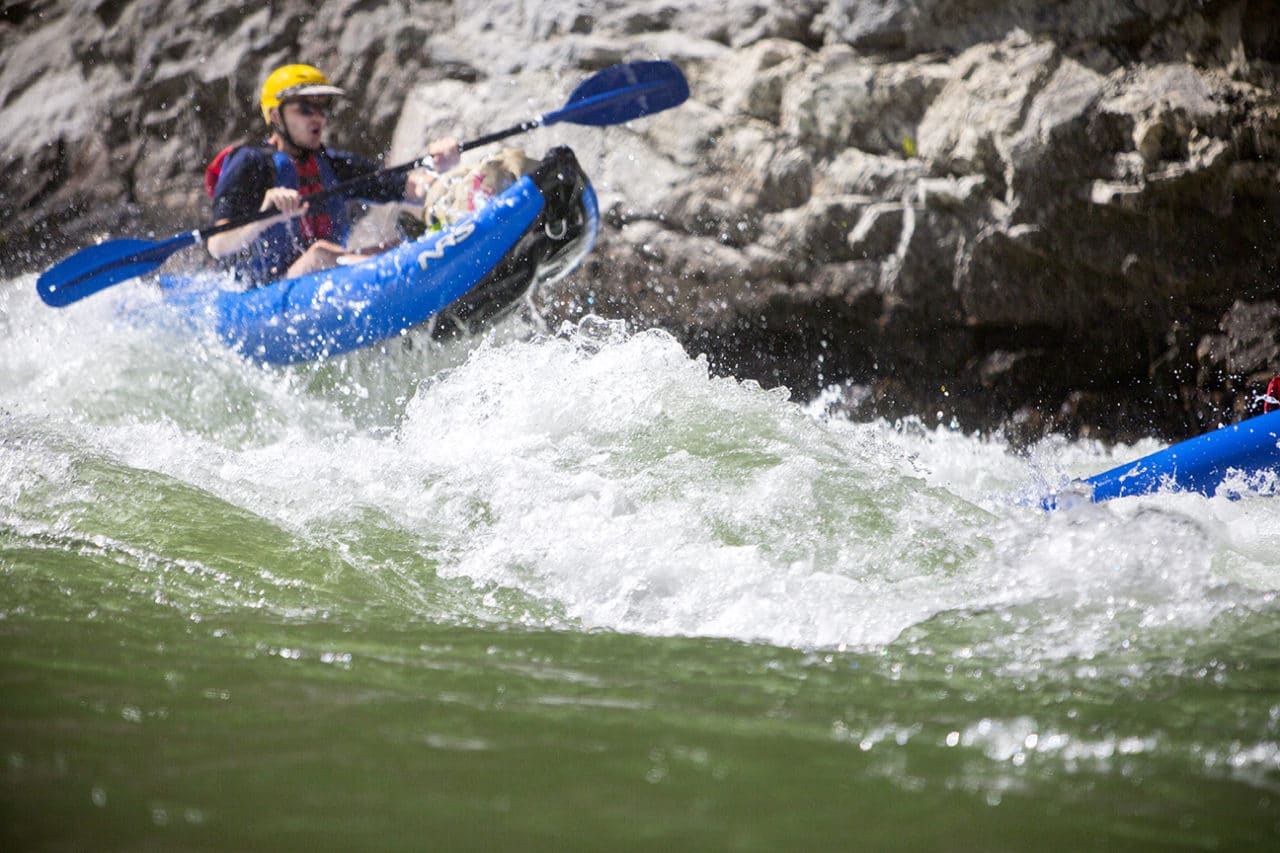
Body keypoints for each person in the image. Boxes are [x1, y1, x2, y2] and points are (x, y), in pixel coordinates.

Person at [206, 63, 460, 285]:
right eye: (305, 109)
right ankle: (405, 275)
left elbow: (413, 188)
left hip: (325, 273)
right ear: (276, 116)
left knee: (397, 244)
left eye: (323, 108)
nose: (318, 118)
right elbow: (216, 245)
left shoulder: (335, 165)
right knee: (320, 254)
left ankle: (411, 266)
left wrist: (440, 166)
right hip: (262, 290)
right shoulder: (250, 164)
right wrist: (265, 217)